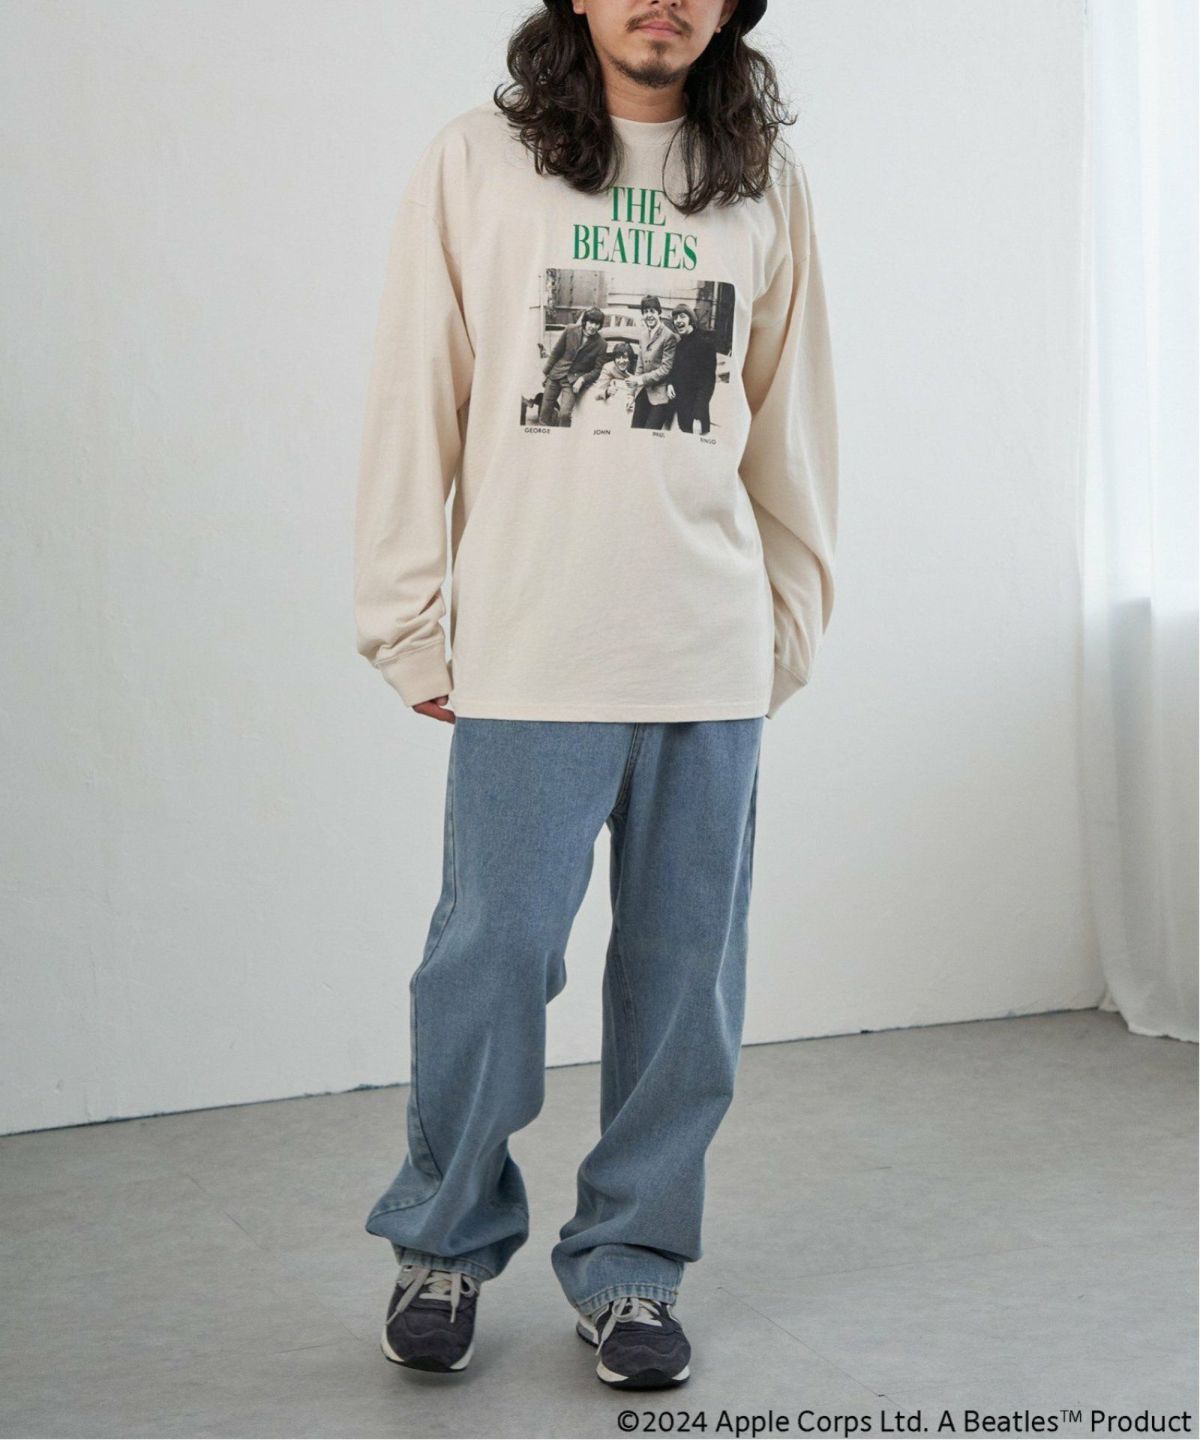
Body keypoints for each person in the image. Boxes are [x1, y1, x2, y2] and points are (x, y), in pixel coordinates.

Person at [353, 0, 838, 1391]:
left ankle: (633, 1266)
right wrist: (405, 619)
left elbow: (791, 417)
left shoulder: (761, 181)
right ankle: (443, 1241)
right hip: (532, 646)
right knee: (492, 959)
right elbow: (416, 392)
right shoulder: (476, 161)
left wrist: (788, 623)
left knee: (686, 986)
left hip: (707, 651)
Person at [540, 306, 607, 425]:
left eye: (597, 324)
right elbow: (556, 352)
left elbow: (597, 370)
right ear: (585, 321)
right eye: (591, 322)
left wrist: (582, 379)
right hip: (556, 375)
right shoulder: (570, 329)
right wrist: (545, 373)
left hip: (573, 381)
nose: (593, 326)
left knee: (564, 415)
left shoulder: (601, 344)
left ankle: (564, 436)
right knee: (545, 412)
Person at [665, 303, 718, 434]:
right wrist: (670, 383)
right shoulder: (680, 344)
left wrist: (698, 417)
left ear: (691, 320)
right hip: (681, 415)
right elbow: (675, 370)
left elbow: (707, 383)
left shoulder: (705, 344)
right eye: (675, 318)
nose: (678, 321)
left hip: (696, 420)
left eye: (682, 317)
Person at [628, 294, 678, 429]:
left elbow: (665, 369)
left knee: (650, 435)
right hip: (643, 392)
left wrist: (641, 380)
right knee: (635, 431)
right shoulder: (643, 335)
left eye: (652, 311)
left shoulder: (668, 336)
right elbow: (640, 366)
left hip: (660, 396)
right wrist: (631, 394)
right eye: (645, 312)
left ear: (659, 313)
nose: (649, 315)